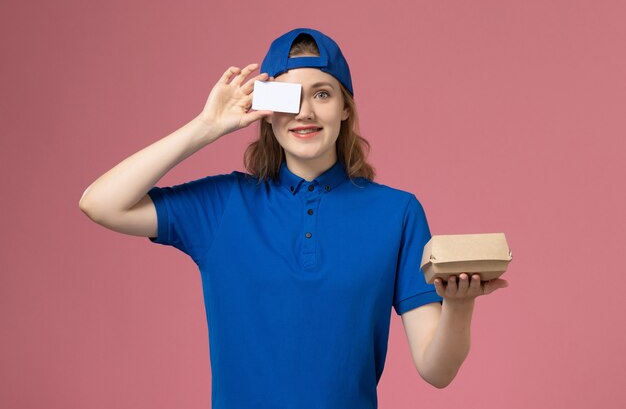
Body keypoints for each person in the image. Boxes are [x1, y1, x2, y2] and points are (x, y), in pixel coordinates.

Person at [79, 27, 508, 408]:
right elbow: (101, 203)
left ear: (345, 107)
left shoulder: (397, 213)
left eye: (322, 94)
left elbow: (437, 371)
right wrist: (206, 126)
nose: (305, 112)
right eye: (288, 96)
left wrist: (459, 305)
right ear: (266, 110)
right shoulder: (225, 204)